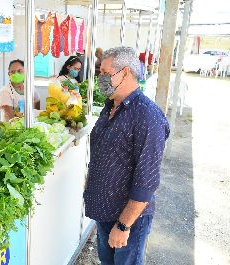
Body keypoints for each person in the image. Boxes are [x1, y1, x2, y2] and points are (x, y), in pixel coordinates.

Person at [83, 47, 170, 265]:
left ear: (126, 73)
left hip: (128, 219)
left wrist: (123, 225)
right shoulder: (111, 105)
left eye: (106, 72)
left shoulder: (147, 116)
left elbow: (146, 180)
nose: (101, 78)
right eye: (99, 72)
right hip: (104, 211)